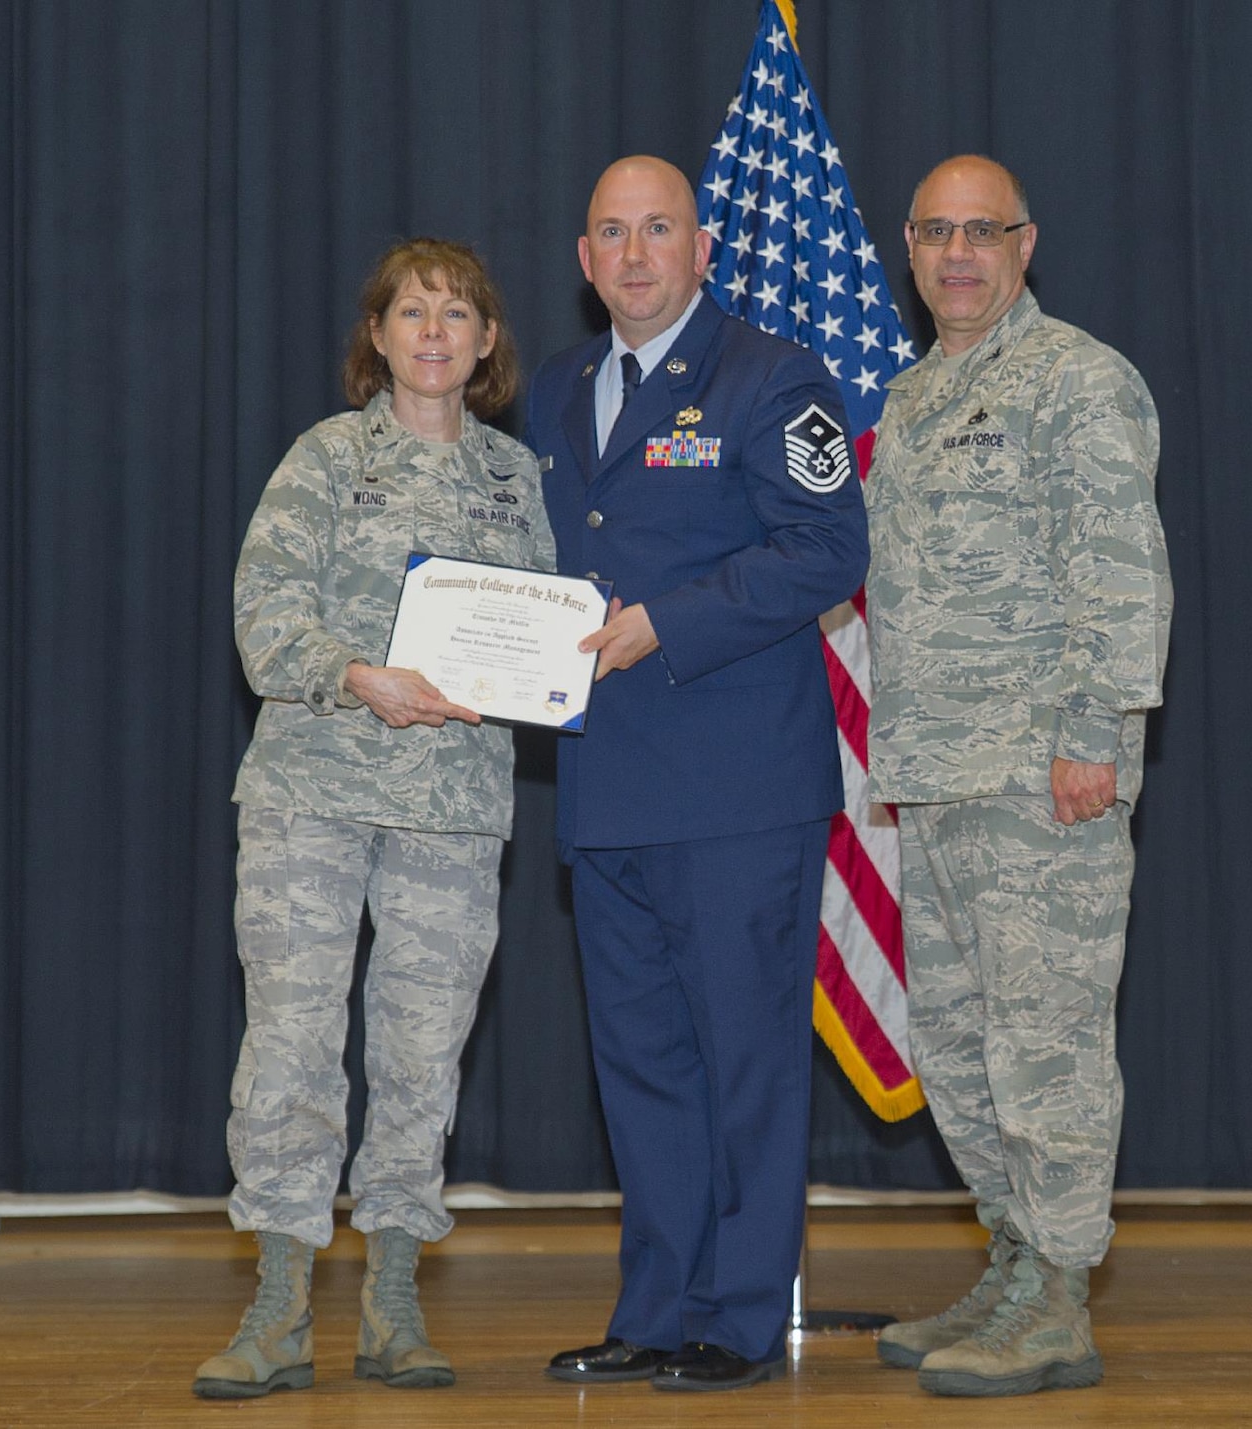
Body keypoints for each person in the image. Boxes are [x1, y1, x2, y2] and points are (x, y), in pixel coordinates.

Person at [525, 156, 868, 1392]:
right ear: (582, 257)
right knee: (642, 1066)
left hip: (736, 792)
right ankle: (656, 1306)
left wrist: (667, 620)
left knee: (745, 1061)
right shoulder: (558, 389)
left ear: (702, 245)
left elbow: (829, 546)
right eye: (609, 231)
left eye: (656, 229)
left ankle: (733, 1319)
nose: (632, 254)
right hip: (603, 786)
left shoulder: (774, 377)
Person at [193, 239, 554, 1399]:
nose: (435, 331)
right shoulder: (324, 459)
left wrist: (551, 673)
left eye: (458, 313)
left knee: (420, 1051)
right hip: (311, 794)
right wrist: (358, 673)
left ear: (487, 342)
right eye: (412, 312)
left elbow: (550, 631)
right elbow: (263, 620)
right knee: (292, 1047)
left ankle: (394, 1296)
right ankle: (280, 1302)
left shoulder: (517, 479)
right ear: (379, 336)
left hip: (452, 809)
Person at [862, 155, 1172, 1398]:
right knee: (956, 1043)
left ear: (1024, 244)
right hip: (934, 776)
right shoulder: (907, 395)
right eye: (935, 232)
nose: (956, 254)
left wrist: (1092, 733)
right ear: (909, 244)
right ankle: (1010, 1251)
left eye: (981, 232)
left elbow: (1120, 575)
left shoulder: (1076, 381)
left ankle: (1057, 1292)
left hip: (1043, 777)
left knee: (1044, 1043)